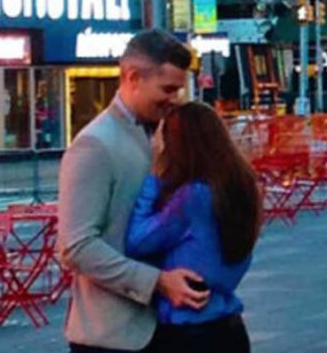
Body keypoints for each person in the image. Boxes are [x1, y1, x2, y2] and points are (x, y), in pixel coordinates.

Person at [58, 29, 210, 353]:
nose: (175, 100)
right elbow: (76, 246)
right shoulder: (94, 145)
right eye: (167, 89)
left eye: (180, 90)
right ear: (132, 77)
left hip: (164, 328)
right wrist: (155, 281)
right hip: (113, 337)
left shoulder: (161, 132)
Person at [126, 102, 261, 352]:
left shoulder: (194, 196)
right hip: (228, 325)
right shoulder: (240, 187)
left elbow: (138, 240)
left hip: (189, 330)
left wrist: (153, 177)